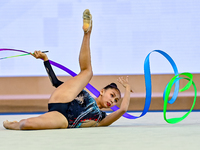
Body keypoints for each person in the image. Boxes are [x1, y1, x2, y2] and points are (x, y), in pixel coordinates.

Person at [3, 9, 133, 130]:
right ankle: (87, 33)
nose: (112, 101)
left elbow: (122, 110)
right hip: (63, 99)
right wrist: (45, 60)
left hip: (62, 118)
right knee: (87, 72)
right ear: (102, 91)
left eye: (116, 100)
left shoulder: (102, 119)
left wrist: (127, 88)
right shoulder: (82, 94)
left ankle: (15, 124)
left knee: (26, 124)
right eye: (112, 95)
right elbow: (55, 83)